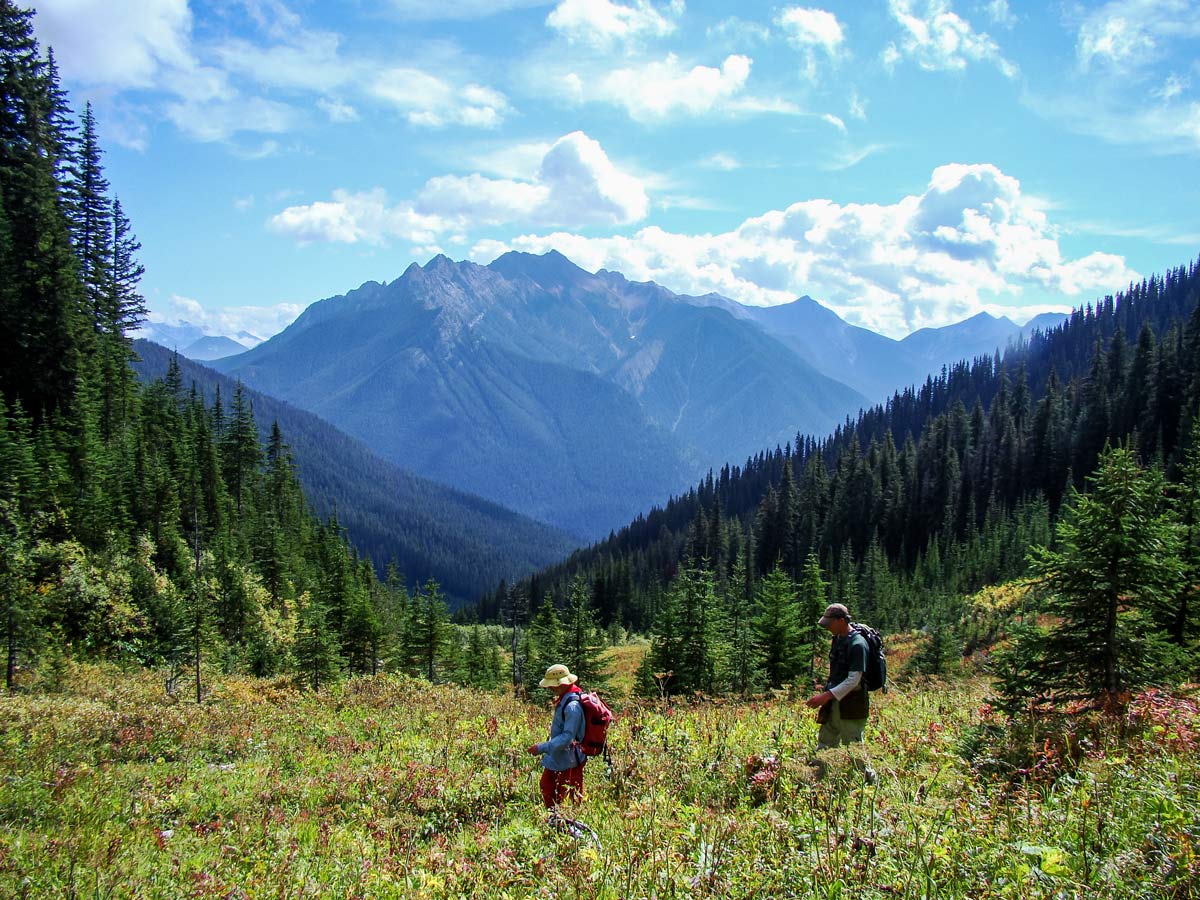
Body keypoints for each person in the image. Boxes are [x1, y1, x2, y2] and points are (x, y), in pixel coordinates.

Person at [805, 603, 871, 751]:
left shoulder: (858, 644)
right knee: (824, 745)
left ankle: (867, 775)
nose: (827, 628)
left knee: (855, 752)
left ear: (841, 621)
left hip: (852, 706)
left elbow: (854, 680)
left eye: (830, 624)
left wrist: (826, 696)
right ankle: (820, 771)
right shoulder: (838, 639)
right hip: (834, 704)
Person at [527, 663, 587, 808]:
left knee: (569, 797)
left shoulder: (572, 706)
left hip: (571, 759)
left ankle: (568, 825)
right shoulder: (564, 699)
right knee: (547, 786)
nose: (550, 688)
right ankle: (554, 820)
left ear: (561, 684)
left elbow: (568, 737)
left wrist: (542, 747)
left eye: (552, 685)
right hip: (559, 756)